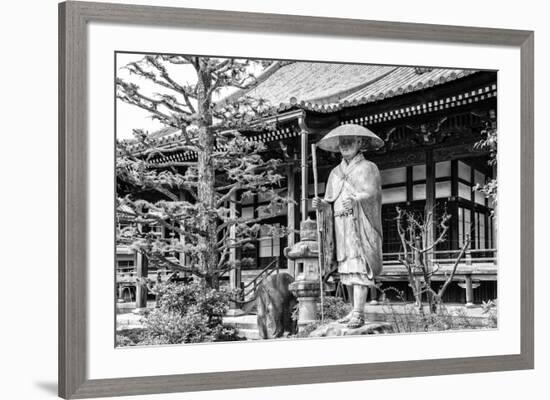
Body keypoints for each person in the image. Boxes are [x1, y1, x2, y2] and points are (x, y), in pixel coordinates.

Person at [312, 124, 384, 328]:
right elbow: (330, 200)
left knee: (359, 267)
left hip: (359, 223)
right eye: (341, 142)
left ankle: (359, 313)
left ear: (360, 143)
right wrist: (322, 205)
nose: (345, 145)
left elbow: (374, 194)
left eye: (349, 141)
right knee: (347, 270)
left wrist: (357, 199)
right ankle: (353, 310)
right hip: (340, 224)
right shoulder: (335, 172)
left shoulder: (368, 167)